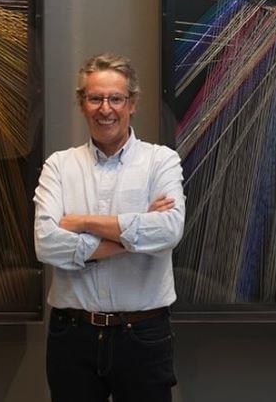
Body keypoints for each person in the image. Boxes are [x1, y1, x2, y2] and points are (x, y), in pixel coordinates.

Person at [34, 52, 186, 402]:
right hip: (72, 335)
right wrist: (133, 237)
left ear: (132, 103)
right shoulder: (59, 166)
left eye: (116, 98)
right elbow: (46, 244)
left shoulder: (160, 161)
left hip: (143, 334)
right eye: (95, 98)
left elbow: (168, 231)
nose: (106, 109)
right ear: (82, 104)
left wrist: (82, 222)